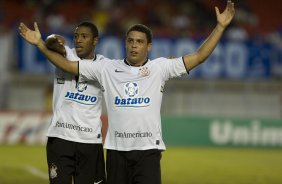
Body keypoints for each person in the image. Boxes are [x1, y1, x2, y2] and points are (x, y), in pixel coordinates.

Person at [18, 1, 235, 183]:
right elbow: (67, 66)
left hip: (148, 151)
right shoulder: (107, 68)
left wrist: (220, 28)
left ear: (148, 46)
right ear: (125, 43)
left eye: (139, 42)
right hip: (115, 152)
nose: (134, 46)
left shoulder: (160, 68)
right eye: (130, 41)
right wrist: (39, 44)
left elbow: (198, 57)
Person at [35, 22, 106, 184]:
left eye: (84, 36)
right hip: (60, 138)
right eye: (75, 36)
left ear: (95, 40)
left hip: (89, 141)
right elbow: (52, 42)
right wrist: (55, 40)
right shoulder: (65, 53)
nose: (78, 40)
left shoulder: (103, 65)